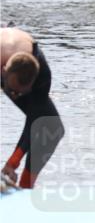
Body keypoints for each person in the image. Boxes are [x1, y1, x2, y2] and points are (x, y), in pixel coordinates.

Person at [1, 26, 65, 189]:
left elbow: (36, 119)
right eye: (12, 91)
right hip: (5, 57)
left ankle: (26, 185)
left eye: (20, 93)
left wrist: (12, 163)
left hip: (24, 54)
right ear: (4, 72)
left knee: (52, 127)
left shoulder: (43, 76)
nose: (15, 96)